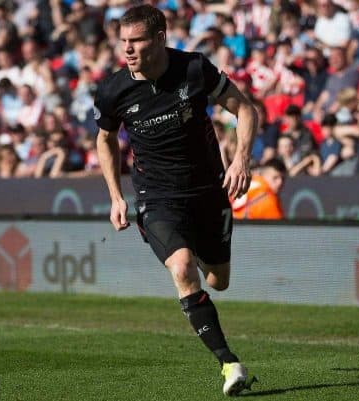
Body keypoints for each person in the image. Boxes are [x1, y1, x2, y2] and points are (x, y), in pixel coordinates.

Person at [94, 5, 258, 396]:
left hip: (207, 190)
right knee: (182, 267)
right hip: (157, 197)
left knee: (218, 281)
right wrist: (116, 196)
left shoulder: (195, 69)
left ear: (160, 38)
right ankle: (229, 362)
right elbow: (104, 139)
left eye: (136, 41)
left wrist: (241, 158)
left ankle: (200, 249)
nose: (128, 49)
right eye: (124, 42)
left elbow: (245, 109)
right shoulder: (114, 89)